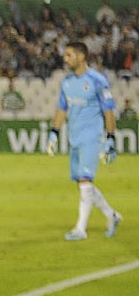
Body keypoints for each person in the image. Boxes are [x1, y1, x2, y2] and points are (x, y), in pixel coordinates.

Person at [46, 41, 122, 241]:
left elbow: (108, 110)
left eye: (69, 55)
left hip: (91, 137)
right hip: (74, 138)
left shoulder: (97, 80)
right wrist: (54, 132)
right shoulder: (67, 82)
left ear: (81, 56)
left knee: (85, 181)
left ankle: (80, 229)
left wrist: (111, 138)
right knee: (82, 183)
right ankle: (112, 215)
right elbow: (62, 108)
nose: (65, 58)